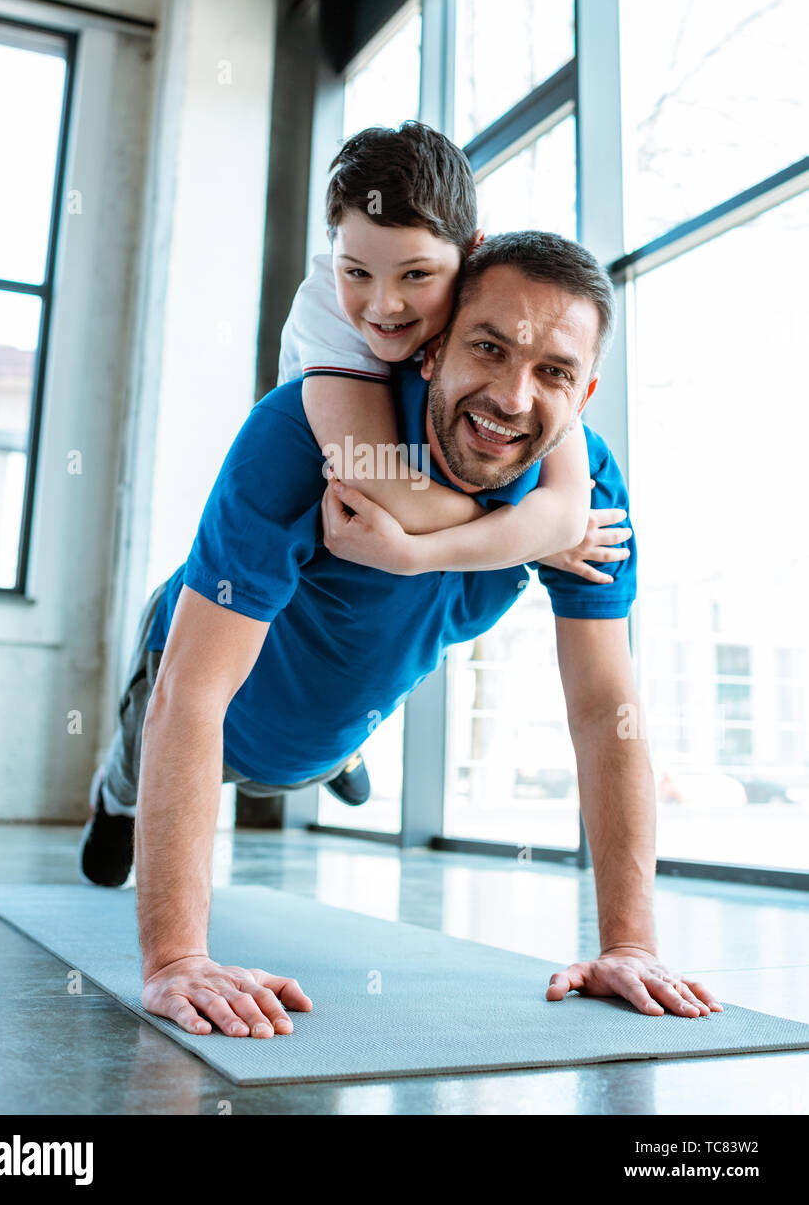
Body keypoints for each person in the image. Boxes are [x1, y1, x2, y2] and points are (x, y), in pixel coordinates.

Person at [80, 229, 724, 1038]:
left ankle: (339, 750)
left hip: (345, 698)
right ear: (430, 350)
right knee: (147, 748)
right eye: (487, 348)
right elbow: (192, 693)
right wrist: (177, 959)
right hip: (203, 693)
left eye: (553, 372)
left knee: (328, 727)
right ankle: (112, 797)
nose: (513, 397)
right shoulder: (304, 438)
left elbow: (604, 707)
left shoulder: (582, 498)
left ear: (584, 396)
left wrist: (630, 944)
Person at [277, 120, 592, 804]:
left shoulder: (499, 318)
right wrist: (531, 537)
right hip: (319, 509)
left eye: (416, 276)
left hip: (402, 564)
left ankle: (345, 741)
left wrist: (552, 527)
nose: (384, 306)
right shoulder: (327, 310)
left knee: (394, 638)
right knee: (331, 621)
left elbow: (569, 508)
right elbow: (375, 479)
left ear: (470, 255)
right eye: (356, 271)